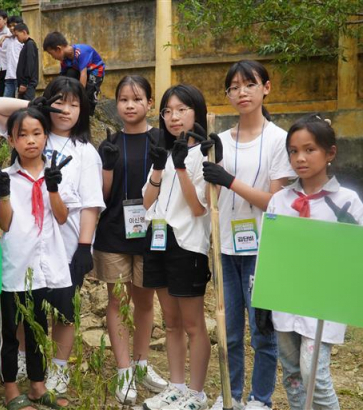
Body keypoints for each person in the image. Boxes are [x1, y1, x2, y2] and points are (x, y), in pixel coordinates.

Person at [0, 77, 105, 395]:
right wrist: (36, 106)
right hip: (27, 245)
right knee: (29, 308)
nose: (66, 110)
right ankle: (25, 359)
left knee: (65, 313)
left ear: (83, 109)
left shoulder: (85, 152)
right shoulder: (35, 132)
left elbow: (91, 205)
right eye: (59, 101)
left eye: (74, 103)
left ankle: (59, 368)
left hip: (67, 247)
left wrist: (84, 246)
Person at [202, 60, 296, 410]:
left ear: (266, 88)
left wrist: (229, 180)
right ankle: (232, 394)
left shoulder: (280, 139)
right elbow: (211, 198)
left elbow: (275, 201)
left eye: (249, 84)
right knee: (228, 330)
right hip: (225, 246)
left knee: (262, 331)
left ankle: (261, 399)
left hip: (262, 249)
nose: (242, 92)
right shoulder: (221, 140)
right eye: (234, 87)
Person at [267, 114, 363, 410]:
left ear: (330, 153)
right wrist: (263, 297)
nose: (300, 158)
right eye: (294, 151)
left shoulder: (347, 202)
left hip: (324, 303)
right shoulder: (280, 201)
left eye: (309, 150)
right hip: (285, 300)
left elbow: (358, 255)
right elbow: (270, 253)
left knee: (314, 375)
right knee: (293, 375)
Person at [0, 107, 77, 410]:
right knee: (11, 331)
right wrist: (4, 194)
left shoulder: (56, 173)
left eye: (36, 133)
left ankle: (38, 386)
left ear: (46, 136)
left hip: (44, 268)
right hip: (15, 267)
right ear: (11, 140)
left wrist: (53, 188)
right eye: (21, 135)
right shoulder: (7, 177)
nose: (30, 140)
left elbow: (62, 217)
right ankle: (11, 388)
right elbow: (5, 224)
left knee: (39, 327)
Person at [92, 75, 167, 405]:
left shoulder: (161, 139)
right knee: (117, 301)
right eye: (123, 99)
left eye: (137, 99)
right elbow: (103, 196)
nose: (130, 105)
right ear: (116, 104)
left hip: (152, 233)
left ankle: (141, 365)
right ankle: (124, 370)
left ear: (150, 103)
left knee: (145, 302)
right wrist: (106, 167)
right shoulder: (108, 143)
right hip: (113, 233)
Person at [141, 84, 216, 410]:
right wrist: (160, 167)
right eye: (168, 110)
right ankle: (177, 387)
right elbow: (146, 201)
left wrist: (183, 166)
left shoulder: (206, 153)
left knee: (192, 324)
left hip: (188, 245)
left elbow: (199, 208)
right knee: (170, 322)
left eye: (182, 109)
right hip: (158, 241)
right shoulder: (164, 152)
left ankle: (196, 394)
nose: (174, 117)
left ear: (196, 112)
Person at [42, 32, 105, 116]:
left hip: (95, 72)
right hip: (80, 72)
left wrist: (80, 95)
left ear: (58, 49)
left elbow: (83, 74)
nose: (53, 57)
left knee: (89, 92)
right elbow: (62, 77)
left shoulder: (81, 52)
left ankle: (88, 115)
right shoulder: (64, 60)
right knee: (69, 74)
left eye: (51, 54)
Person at [0, 16, 24, 98]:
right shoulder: (9, 39)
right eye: (10, 26)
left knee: (18, 102)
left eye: (14, 25)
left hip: (19, 77)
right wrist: (5, 36)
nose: (12, 28)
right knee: (5, 102)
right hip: (9, 76)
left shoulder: (22, 41)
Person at [13, 23, 39, 101]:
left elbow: (30, 65)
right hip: (25, 85)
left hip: (28, 85)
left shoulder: (30, 44)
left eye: (17, 35)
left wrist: (25, 83)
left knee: (27, 108)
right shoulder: (26, 45)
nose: (17, 38)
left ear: (24, 32)